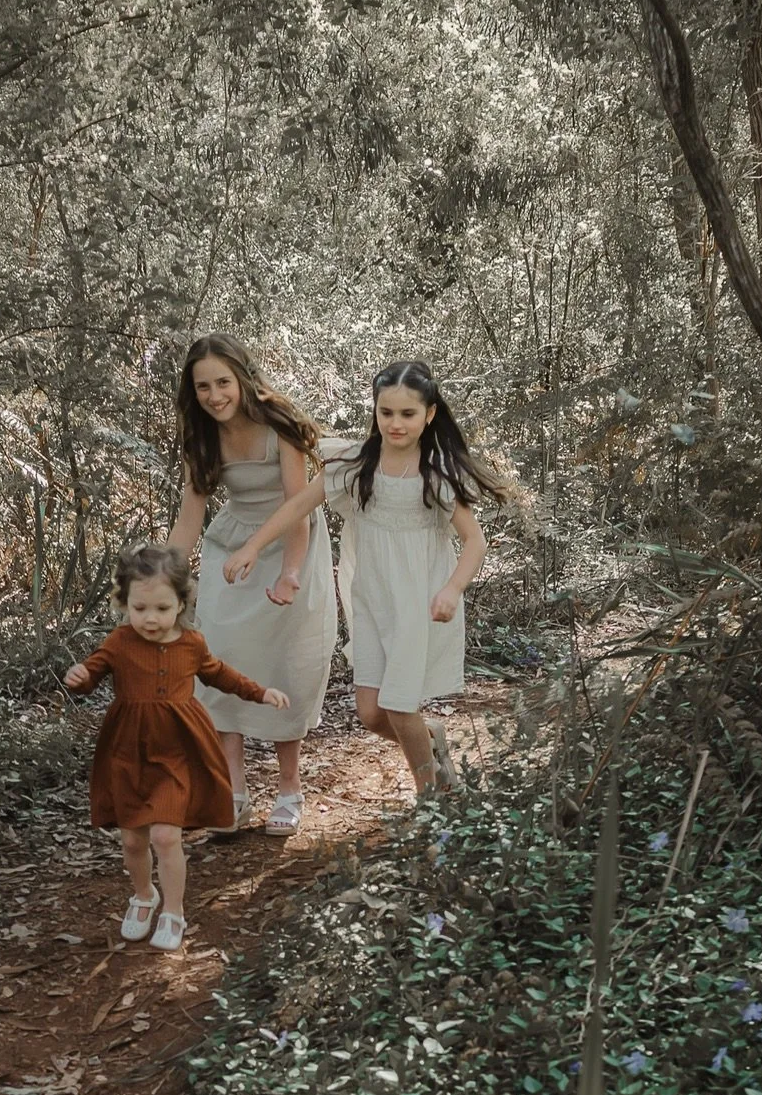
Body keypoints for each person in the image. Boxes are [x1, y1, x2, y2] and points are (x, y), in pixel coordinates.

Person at [224, 360, 502, 795]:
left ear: (429, 415)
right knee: (372, 714)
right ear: (374, 411)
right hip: (372, 602)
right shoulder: (355, 465)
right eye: (385, 412)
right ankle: (431, 739)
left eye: (408, 414)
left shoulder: (438, 472)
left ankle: (429, 798)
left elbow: (475, 542)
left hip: (419, 604)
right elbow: (297, 506)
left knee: (398, 704)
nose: (395, 423)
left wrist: (452, 589)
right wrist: (253, 545)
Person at [64, 544, 289, 952]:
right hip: (128, 753)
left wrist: (261, 693)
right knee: (133, 840)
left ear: (182, 604)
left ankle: (174, 910)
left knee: (167, 836)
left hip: (177, 753)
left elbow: (222, 675)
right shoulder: (118, 642)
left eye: (162, 609)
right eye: (140, 608)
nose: (150, 618)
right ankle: (143, 896)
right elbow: (93, 671)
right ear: (125, 603)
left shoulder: (192, 645)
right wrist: (79, 676)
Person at [167, 335, 336, 837]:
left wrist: (290, 573)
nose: (215, 395)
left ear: (242, 378)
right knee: (219, 665)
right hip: (231, 551)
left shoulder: (278, 425)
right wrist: (162, 580)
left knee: (286, 664)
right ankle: (233, 794)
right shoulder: (201, 438)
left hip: (290, 544)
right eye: (203, 387)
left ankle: (289, 790)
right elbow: (188, 519)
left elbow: (297, 508)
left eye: (222, 382)